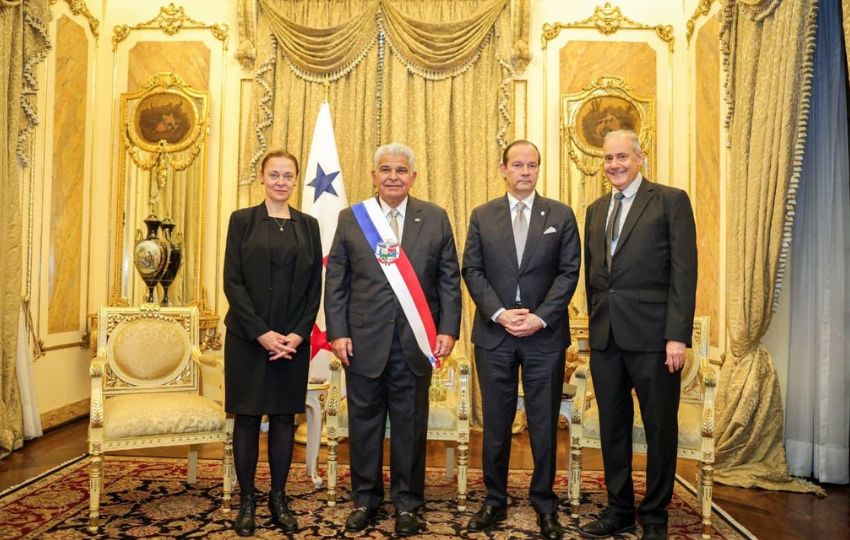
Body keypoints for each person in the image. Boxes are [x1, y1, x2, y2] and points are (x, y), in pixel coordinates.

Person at [324, 143, 461, 537]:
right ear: (373, 175)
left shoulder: (434, 218)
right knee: (364, 427)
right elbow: (337, 281)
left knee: (409, 427)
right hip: (363, 342)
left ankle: (408, 504)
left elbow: (449, 279)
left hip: (415, 343)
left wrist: (447, 329)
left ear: (413, 177)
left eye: (401, 170)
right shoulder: (353, 218)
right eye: (385, 169)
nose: (393, 176)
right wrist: (338, 332)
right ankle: (365, 500)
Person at [578, 130, 697, 540]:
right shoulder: (595, 209)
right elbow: (595, 277)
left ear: (640, 157)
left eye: (622, 157)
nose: (614, 165)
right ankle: (619, 509)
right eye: (608, 158)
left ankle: (657, 516)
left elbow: (684, 272)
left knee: (660, 428)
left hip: (655, 340)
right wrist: (593, 330)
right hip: (607, 339)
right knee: (613, 427)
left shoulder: (670, 201)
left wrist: (677, 336)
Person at [462, 139, 581, 540]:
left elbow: (569, 273)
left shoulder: (561, 215)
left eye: (532, 165)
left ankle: (545, 502)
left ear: (538, 170)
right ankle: (494, 500)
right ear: (503, 169)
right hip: (494, 335)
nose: (525, 171)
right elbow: (472, 270)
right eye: (517, 165)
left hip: (543, 338)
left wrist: (540, 318)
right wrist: (499, 313)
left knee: (542, 423)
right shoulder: (482, 215)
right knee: (495, 423)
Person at [222, 149, 323, 536]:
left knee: (283, 419)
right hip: (249, 339)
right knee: (247, 419)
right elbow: (232, 281)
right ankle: (247, 499)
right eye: (274, 174)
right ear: (261, 177)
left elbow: (315, 286)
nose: (281, 181)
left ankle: (278, 497)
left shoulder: (309, 225)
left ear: (296, 180)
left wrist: (297, 334)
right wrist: (261, 334)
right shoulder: (242, 221)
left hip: (291, 343)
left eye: (288, 175)